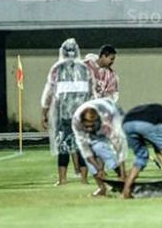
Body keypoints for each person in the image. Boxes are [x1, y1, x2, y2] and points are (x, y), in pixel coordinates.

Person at [41, 38, 94, 185]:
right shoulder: (85, 69)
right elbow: (91, 93)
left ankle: (62, 179)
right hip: (81, 115)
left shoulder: (57, 69)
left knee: (63, 146)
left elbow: (49, 92)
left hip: (63, 114)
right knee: (82, 146)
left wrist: (44, 112)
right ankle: (84, 179)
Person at [72, 98, 127, 197]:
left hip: (113, 115)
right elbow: (86, 151)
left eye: (92, 126)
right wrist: (99, 169)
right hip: (101, 121)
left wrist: (123, 174)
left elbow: (120, 148)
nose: (89, 129)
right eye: (86, 126)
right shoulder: (77, 122)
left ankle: (122, 179)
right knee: (90, 154)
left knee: (100, 148)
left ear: (97, 121)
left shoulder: (110, 118)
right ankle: (102, 188)